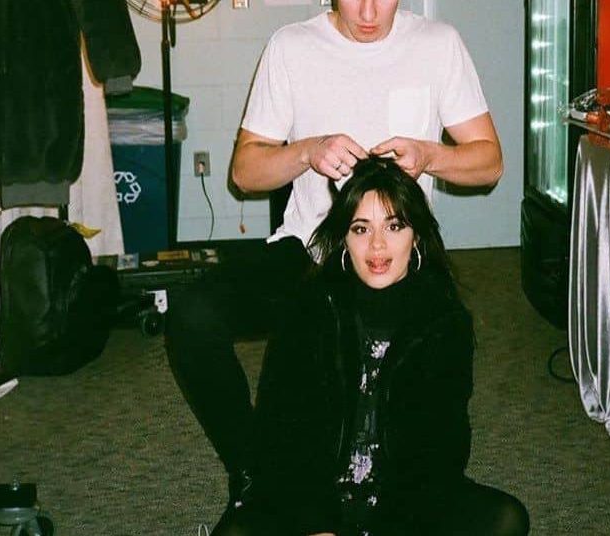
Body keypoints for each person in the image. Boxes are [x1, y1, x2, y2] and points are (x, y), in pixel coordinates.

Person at [165, 0, 504, 528]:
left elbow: (489, 163)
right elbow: (245, 173)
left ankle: (394, 492)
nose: (368, 11)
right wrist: (307, 151)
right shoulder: (292, 46)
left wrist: (430, 155)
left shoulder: (439, 45)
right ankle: (254, 476)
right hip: (312, 251)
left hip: (396, 257)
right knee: (192, 314)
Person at [213, 157, 529, 536]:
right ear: (344, 238)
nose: (377, 245)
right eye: (361, 228)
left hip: (402, 508)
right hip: (315, 500)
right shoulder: (309, 308)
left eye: (394, 226)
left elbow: (441, 451)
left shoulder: (444, 322)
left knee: (506, 520)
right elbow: (282, 433)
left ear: (416, 236)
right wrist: (317, 526)